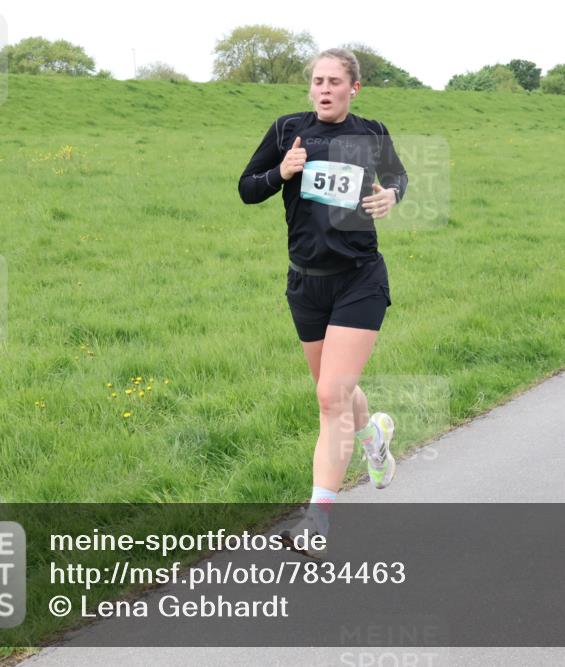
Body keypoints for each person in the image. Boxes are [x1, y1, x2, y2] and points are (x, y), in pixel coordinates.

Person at [238, 48, 408, 556]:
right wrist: (282, 174)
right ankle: (374, 437)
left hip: (359, 278)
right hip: (306, 283)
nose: (324, 89)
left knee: (330, 396)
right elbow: (247, 189)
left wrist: (392, 196)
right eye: (317, 81)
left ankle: (318, 518)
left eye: (335, 81)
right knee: (335, 391)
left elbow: (397, 176)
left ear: (354, 88)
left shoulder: (370, 132)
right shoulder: (287, 129)